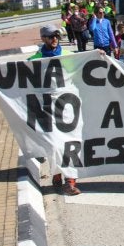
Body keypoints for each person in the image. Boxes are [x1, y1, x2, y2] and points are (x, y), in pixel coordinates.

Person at [28, 24, 80, 196]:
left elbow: (83, 64)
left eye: (56, 36)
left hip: (67, 109)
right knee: (53, 144)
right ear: (43, 38)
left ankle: (70, 182)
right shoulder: (35, 59)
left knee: (69, 143)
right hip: (47, 108)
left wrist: (97, 56)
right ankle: (57, 175)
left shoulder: (67, 55)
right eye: (50, 37)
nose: (54, 39)